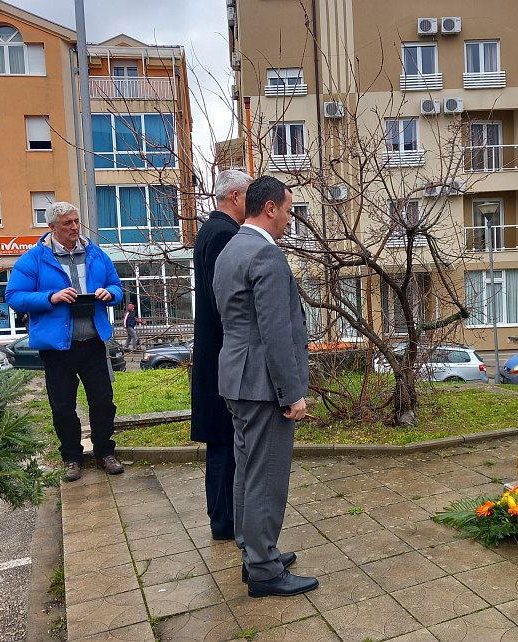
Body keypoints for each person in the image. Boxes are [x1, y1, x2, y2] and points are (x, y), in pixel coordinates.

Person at [213, 175, 316, 598]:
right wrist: (292, 393)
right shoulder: (266, 254)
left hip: (237, 380)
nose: (291, 220)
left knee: (247, 471)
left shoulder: (230, 249)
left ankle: (253, 550)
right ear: (270, 208)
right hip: (263, 386)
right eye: (289, 211)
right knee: (267, 478)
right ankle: (264, 569)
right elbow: (276, 333)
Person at [6, 201, 124, 482]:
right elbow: (13, 296)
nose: (74, 227)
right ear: (52, 227)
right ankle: (71, 457)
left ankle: (105, 453)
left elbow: (117, 286)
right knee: (62, 407)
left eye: (76, 221)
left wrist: (109, 294)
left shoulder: (96, 254)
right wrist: (51, 297)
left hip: (93, 341)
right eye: (67, 223)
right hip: (57, 348)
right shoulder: (34, 259)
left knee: (103, 401)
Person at [191, 169, 252, 541]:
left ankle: (224, 517)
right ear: (235, 196)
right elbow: (226, 301)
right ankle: (225, 521)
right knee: (224, 442)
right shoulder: (224, 234)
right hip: (222, 353)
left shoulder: (211, 229)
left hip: (215, 351)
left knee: (223, 441)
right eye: (250, 195)